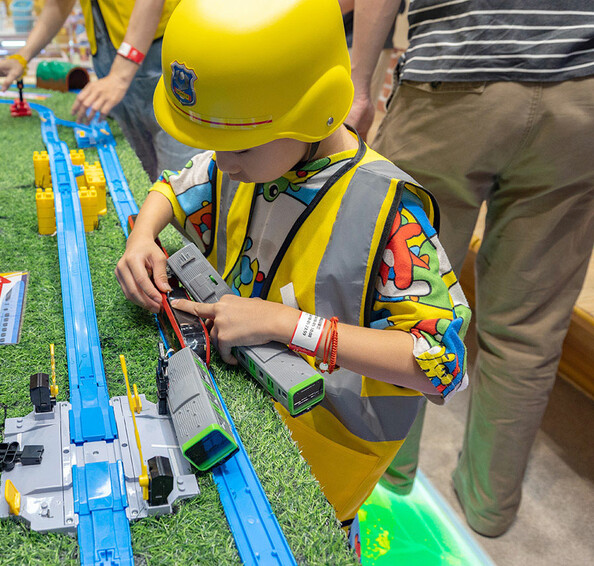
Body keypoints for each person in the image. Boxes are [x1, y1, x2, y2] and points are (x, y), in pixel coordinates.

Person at [114, 0, 471, 549]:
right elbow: (181, 182)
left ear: (316, 110)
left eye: (241, 148)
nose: (223, 162)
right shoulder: (251, 152)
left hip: (320, 466)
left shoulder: (389, 209)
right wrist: (142, 237)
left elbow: (439, 365)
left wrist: (287, 324)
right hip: (239, 420)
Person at [348, 0, 594, 537]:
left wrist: (359, 85)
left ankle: (388, 471)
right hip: (583, 87)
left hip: (457, 74)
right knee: (529, 328)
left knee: (400, 300)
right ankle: (489, 507)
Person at [0, 0, 197, 181]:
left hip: (160, 54)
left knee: (181, 186)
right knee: (145, 174)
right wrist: (23, 56)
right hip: (114, 62)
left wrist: (121, 73)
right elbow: (59, 3)